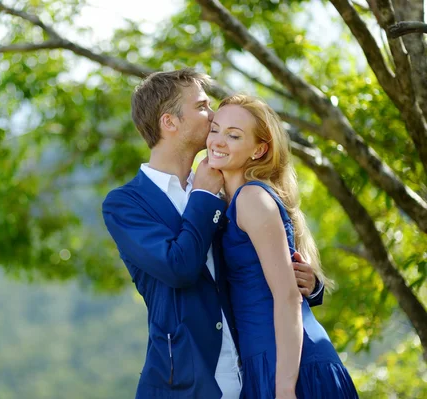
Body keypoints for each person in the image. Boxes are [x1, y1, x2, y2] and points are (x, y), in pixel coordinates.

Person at [102, 69, 324, 398]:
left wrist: (308, 282)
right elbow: (178, 268)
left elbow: (253, 266)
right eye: (203, 106)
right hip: (182, 385)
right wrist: (204, 198)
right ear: (170, 122)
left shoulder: (227, 189)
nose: (212, 113)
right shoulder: (125, 204)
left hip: (254, 374)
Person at [207, 94, 358, 398]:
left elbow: (288, 297)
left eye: (234, 135)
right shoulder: (228, 202)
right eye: (215, 130)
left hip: (288, 366)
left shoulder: (252, 198)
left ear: (259, 150)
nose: (219, 141)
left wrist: (286, 387)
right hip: (263, 361)